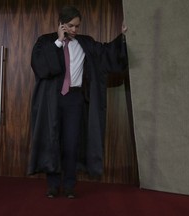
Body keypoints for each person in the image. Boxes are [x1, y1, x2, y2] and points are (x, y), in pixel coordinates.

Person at [28, 5, 128, 199]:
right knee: (52, 141)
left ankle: (69, 185)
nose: (74, 30)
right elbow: (41, 67)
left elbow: (107, 53)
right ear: (61, 24)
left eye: (77, 26)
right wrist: (58, 41)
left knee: (72, 143)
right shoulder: (46, 42)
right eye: (71, 26)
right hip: (52, 100)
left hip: (74, 100)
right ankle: (52, 185)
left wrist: (122, 36)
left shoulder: (85, 43)